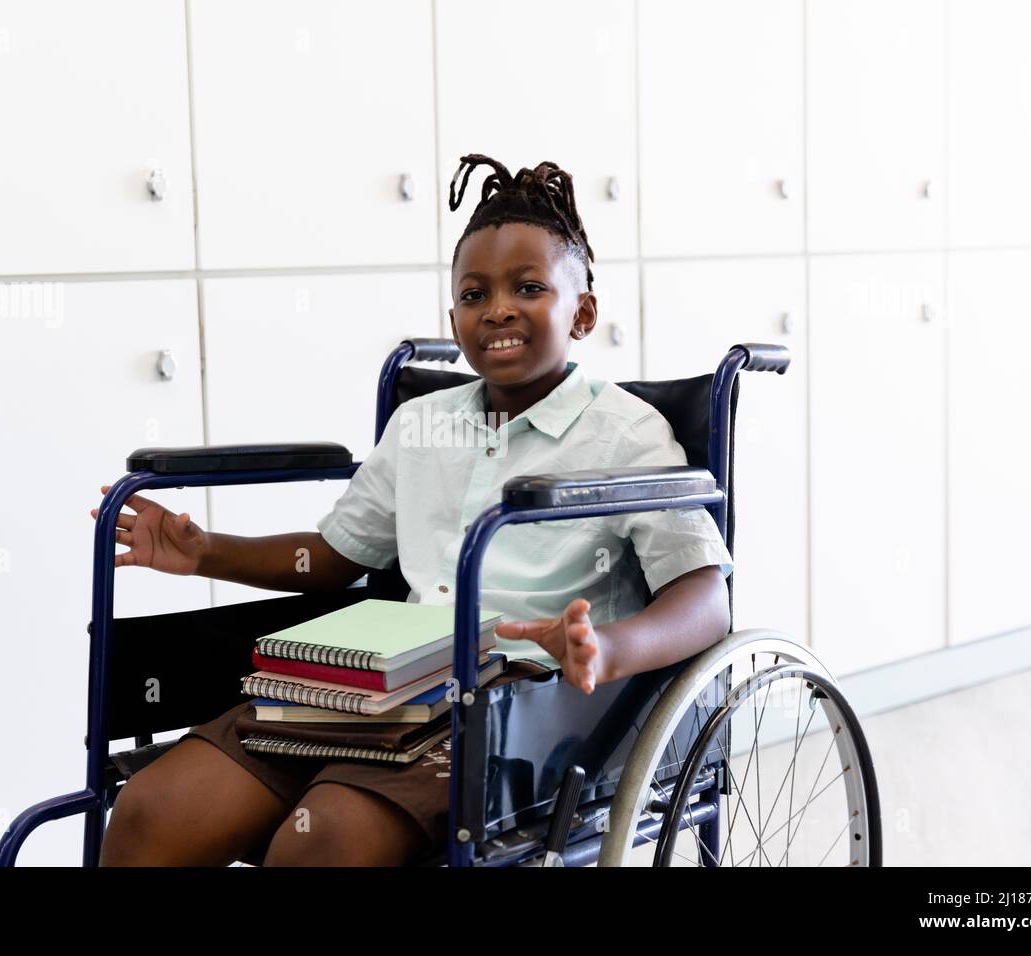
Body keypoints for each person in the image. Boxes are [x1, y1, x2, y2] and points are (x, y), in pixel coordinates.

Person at [96, 153, 734, 866]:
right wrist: (208, 551)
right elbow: (338, 556)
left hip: (517, 711)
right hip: (375, 681)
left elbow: (707, 602)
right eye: (472, 293)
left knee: (319, 843)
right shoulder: (422, 424)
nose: (496, 308)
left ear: (582, 312)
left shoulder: (628, 433)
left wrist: (608, 649)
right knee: (154, 811)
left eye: (528, 287)